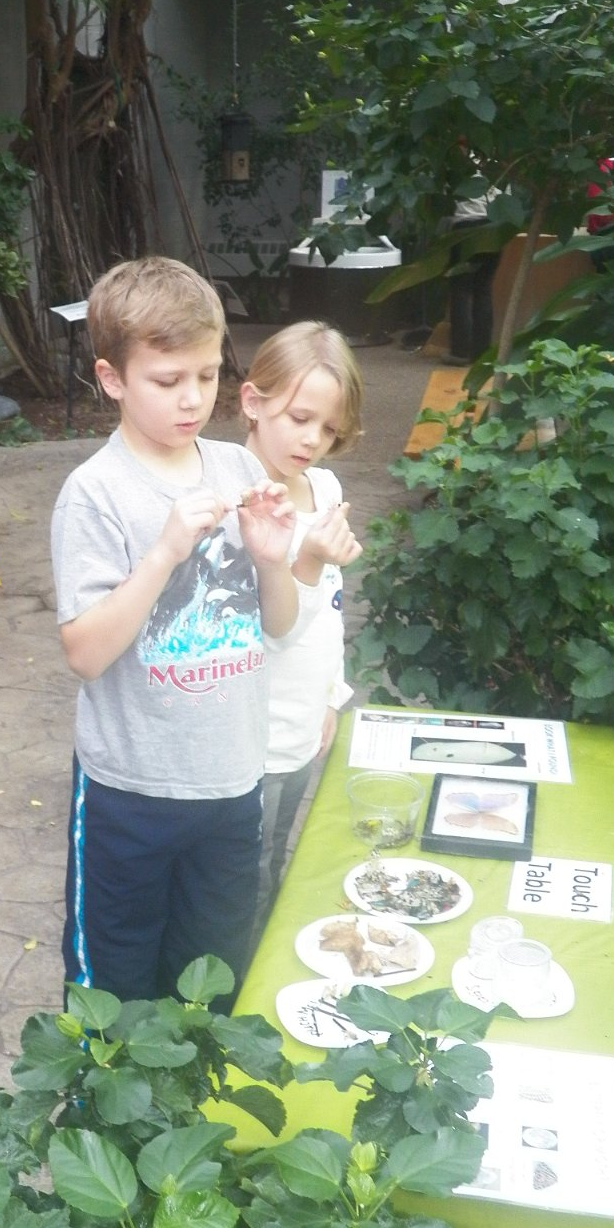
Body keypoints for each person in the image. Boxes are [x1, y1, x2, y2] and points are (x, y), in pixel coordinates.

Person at [51, 256, 301, 1006]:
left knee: (211, 985)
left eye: (207, 374)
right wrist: (163, 552)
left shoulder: (237, 469)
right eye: (167, 381)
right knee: (113, 993)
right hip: (132, 793)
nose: (193, 398)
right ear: (112, 378)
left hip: (232, 784)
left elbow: (279, 626)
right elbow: (85, 653)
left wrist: (272, 561)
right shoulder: (95, 493)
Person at [239, 323, 364, 924]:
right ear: (252, 401)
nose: (313, 439)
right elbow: (271, 630)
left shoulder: (324, 486)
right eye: (299, 417)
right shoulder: (238, 502)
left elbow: (330, 612)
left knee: (275, 857)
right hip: (252, 738)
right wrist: (309, 559)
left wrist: (331, 696)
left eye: (329, 428)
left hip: (302, 727)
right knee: (248, 880)